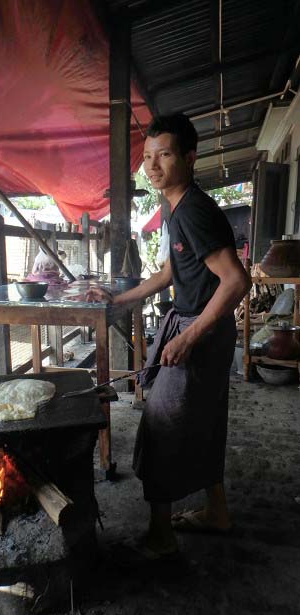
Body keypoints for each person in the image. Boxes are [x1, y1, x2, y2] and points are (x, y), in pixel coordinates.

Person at [86, 113, 251, 558]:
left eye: (165, 155)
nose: (152, 165)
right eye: (148, 156)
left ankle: (161, 536)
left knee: (159, 426)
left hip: (201, 330)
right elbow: (169, 271)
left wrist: (188, 336)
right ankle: (216, 512)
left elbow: (237, 281)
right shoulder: (175, 208)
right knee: (209, 422)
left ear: (190, 158)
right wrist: (121, 299)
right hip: (204, 330)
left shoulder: (193, 211)